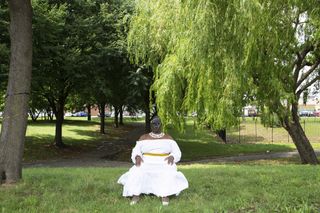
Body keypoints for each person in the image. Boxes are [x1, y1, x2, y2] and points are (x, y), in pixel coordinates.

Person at [117, 116, 188, 206]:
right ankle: (136, 194)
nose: (156, 126)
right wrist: (137, 156)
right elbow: (136, 150)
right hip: (146, 161)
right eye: (154, 124)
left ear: (161, 125)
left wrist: (173, 156)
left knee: (168, 171)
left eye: (158, 124)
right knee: (137, 171)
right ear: (151, 125)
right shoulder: (144, 137)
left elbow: (177, 151)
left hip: (164, 161)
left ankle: (164, 194)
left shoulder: (168, 138)